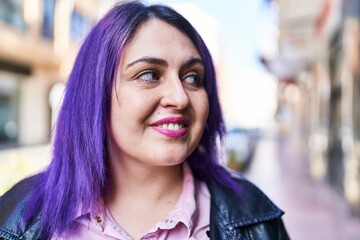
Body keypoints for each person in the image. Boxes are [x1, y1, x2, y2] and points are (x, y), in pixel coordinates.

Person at [0, 1, 289, 239]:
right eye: (149, 74)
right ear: (95, 92)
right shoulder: (17, 217)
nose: (180, 97)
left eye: (193, 77)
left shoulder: (254, 219)